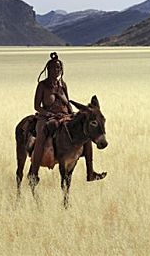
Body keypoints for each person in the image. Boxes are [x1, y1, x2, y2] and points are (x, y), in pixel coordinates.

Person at [28, 52, 107, 182]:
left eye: (59, 68)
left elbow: (67, 102)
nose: (56, 70)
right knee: (42, 134)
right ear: (48, 69)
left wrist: (72, 114)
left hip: (64, 115)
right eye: (54, 68)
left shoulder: (62, 85)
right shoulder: (42, 85)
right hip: (46, 117)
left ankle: (90, 172)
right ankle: (34, 173)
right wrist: (48, 114)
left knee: (86, 134)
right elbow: (37, 106)